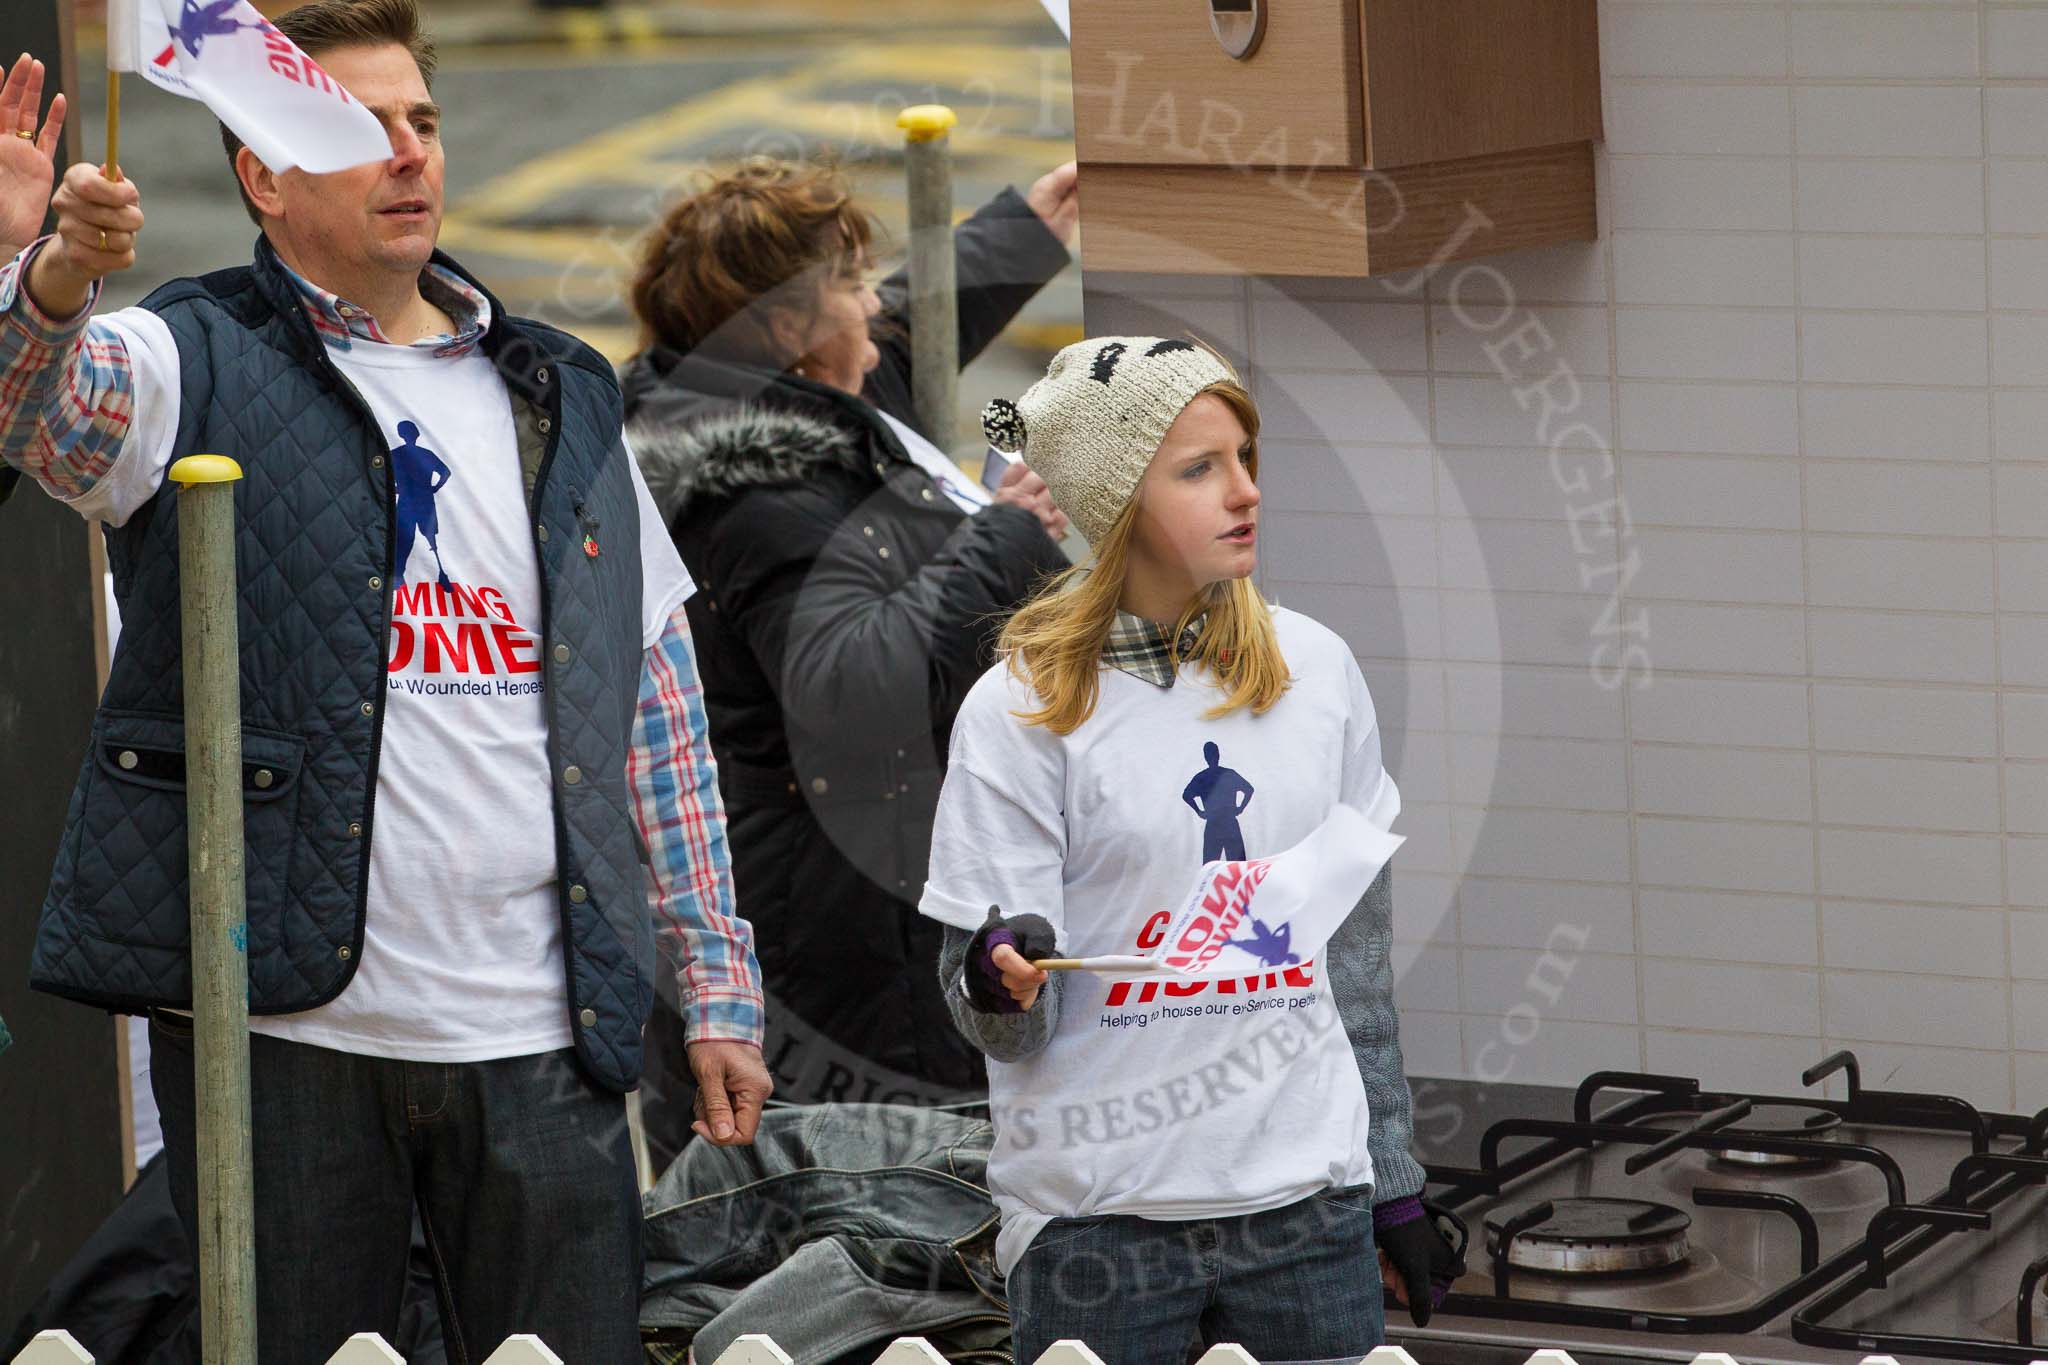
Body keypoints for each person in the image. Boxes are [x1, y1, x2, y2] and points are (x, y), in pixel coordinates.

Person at [0, 2, 770, 1360]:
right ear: (265, 174)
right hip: (288, 1030)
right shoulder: (187, 353)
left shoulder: (562, 389)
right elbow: (37, 418)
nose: (412, 154)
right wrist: (53, 271)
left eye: (423, 122)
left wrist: (717, 983)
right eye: (361, 130)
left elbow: (655, 699)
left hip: (544, 1029)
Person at [920, 338, 1460, 1365]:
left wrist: (1390, 1185)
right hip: (1096, 1224)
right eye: (1199, 469)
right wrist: (1000, 986)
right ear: (1116, 499)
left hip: (1307, 1216)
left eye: (1246, 457)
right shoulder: (1019, 710)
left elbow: (1350, 967)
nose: (1244, 492)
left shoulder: (1320, 672)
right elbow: (993, 1023)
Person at [623, 157, 1076, 1134]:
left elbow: (900, 326)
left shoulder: (766, 405)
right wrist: (1002, 538)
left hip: (843, 926)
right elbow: (850, 690)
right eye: (851, 282)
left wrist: (1025, 228)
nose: (875, 305)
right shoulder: (754, 494)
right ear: (789, 327)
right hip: (841, 966)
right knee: (866, 1240)